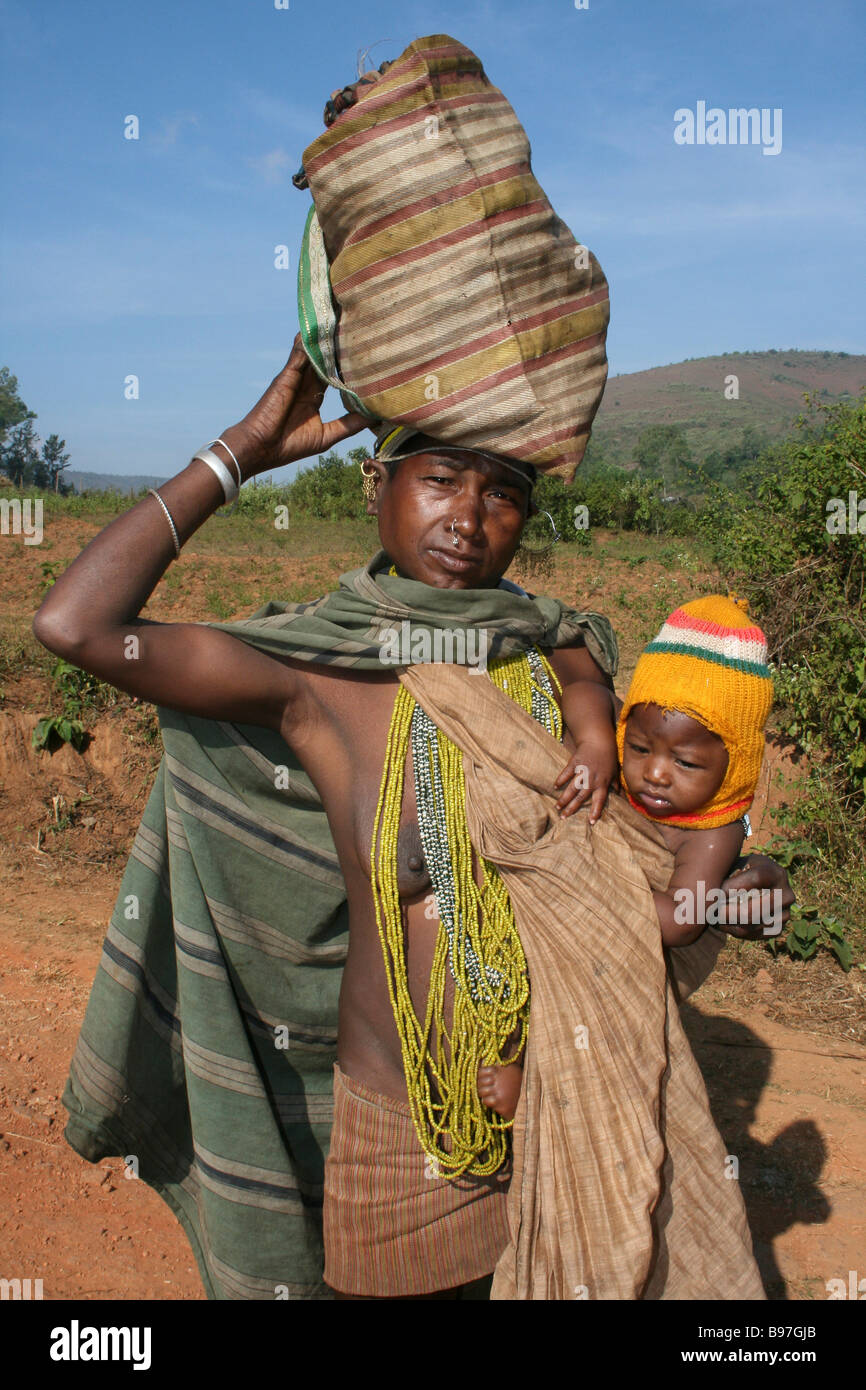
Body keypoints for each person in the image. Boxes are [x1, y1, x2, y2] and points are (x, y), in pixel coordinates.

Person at [32, 339, 794, 1300]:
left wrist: (750, 889)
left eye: (502, 494)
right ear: (375, 486)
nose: (468, 521)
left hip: (567, 1101)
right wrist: (245, 449)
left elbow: (668, 866)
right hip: (402, 1126)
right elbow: (75, 626)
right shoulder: (321, 680)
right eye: (439, 480)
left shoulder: (564, 665)